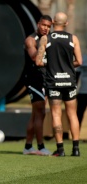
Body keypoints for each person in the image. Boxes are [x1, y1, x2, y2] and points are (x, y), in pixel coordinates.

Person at [36, 12, 82, 156]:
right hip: (69, 81)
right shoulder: (73, 38)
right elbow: (79, 62)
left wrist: (51, 65)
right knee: (72, 114)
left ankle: (60, 149)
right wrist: (68, 65)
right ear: (66, 23)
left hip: (53, 82)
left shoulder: (46, 38)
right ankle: (75, 149)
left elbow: (38, 62)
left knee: (56, 114)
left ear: (54, 22)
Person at [23, 15, 52, 156]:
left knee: (36, 115)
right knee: (40, 113)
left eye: (48, 26)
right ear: (38, 24)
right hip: (35, 80)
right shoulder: (31, 39)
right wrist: (43, 44)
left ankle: (28, 146)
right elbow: (35, 58)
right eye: (43, 25)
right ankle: (41, 147)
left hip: (46, 79)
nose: (46, 28)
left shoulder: (50, 39)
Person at [76, 58, 87, 131]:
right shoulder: (83, 57)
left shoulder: (82, 58)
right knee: (79, 114)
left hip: (82, 91)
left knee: (79, 114)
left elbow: (76, 75)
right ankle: (76, 134)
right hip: (82, 91)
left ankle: (76, 135)